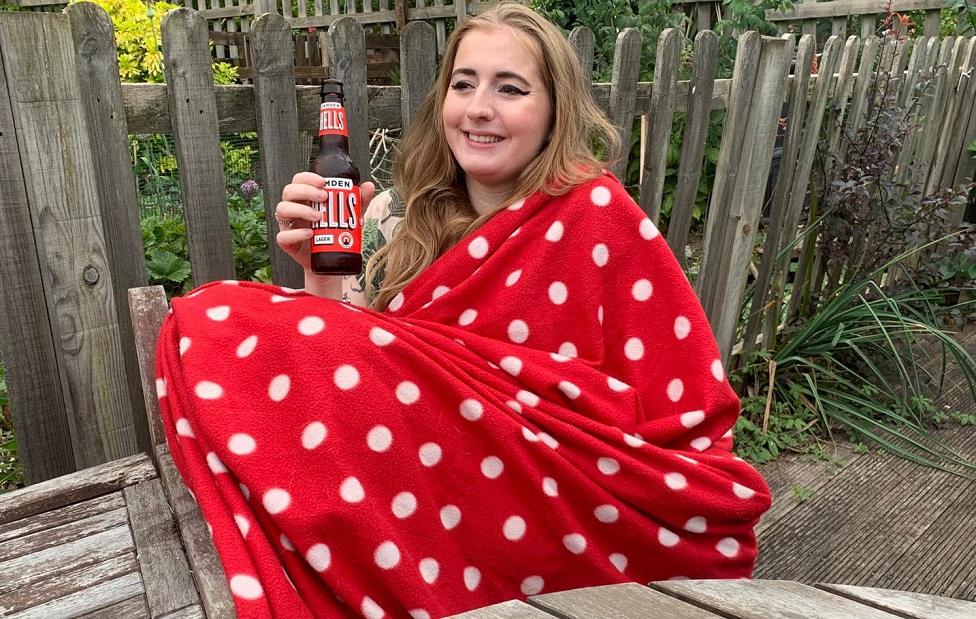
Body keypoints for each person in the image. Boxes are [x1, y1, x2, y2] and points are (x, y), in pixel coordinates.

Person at [155, 3, 771, 618]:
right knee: (222, 313)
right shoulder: (393, 216)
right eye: (464, 84)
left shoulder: (596, 216)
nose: (479, 108)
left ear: (556, 110)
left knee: (219, 311)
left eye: (511, 88)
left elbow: (686, 400)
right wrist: (321, 279)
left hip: (541, 510)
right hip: (419, 505)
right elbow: (365, 383)